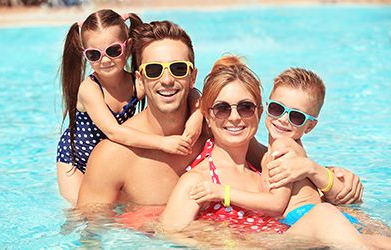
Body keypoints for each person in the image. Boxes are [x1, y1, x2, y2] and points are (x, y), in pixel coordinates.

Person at [76, 20, 363, 212]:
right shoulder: (111, 157)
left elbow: (279, 166)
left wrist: (325, 174)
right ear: (140, 79)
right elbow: (88, 233)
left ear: (192, 77)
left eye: (177, 69)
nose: (166, 80)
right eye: (154, 71)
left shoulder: (216, 129)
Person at [160, 61, 390, 248]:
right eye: (221, 108)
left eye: (245, 107)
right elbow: (167, 235)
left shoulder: (263, 163)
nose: (234, 117)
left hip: (306, 234)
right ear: (207, 116)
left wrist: (323, 173)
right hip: (298, 235)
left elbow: (296, 192)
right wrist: (218, 242)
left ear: (259, 113)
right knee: (326, 216)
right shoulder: (199, 182)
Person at [56, 10, 202, 204]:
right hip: (76, 156)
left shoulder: (136, 82)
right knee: (80, 210)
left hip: (111, 153)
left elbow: (183, 91)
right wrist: (163, 143)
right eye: (94, 54)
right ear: (85, 56)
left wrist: (197, 118)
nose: (105, 60)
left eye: (113, 50)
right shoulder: (89, 89)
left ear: (128, 46)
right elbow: (114, 132)